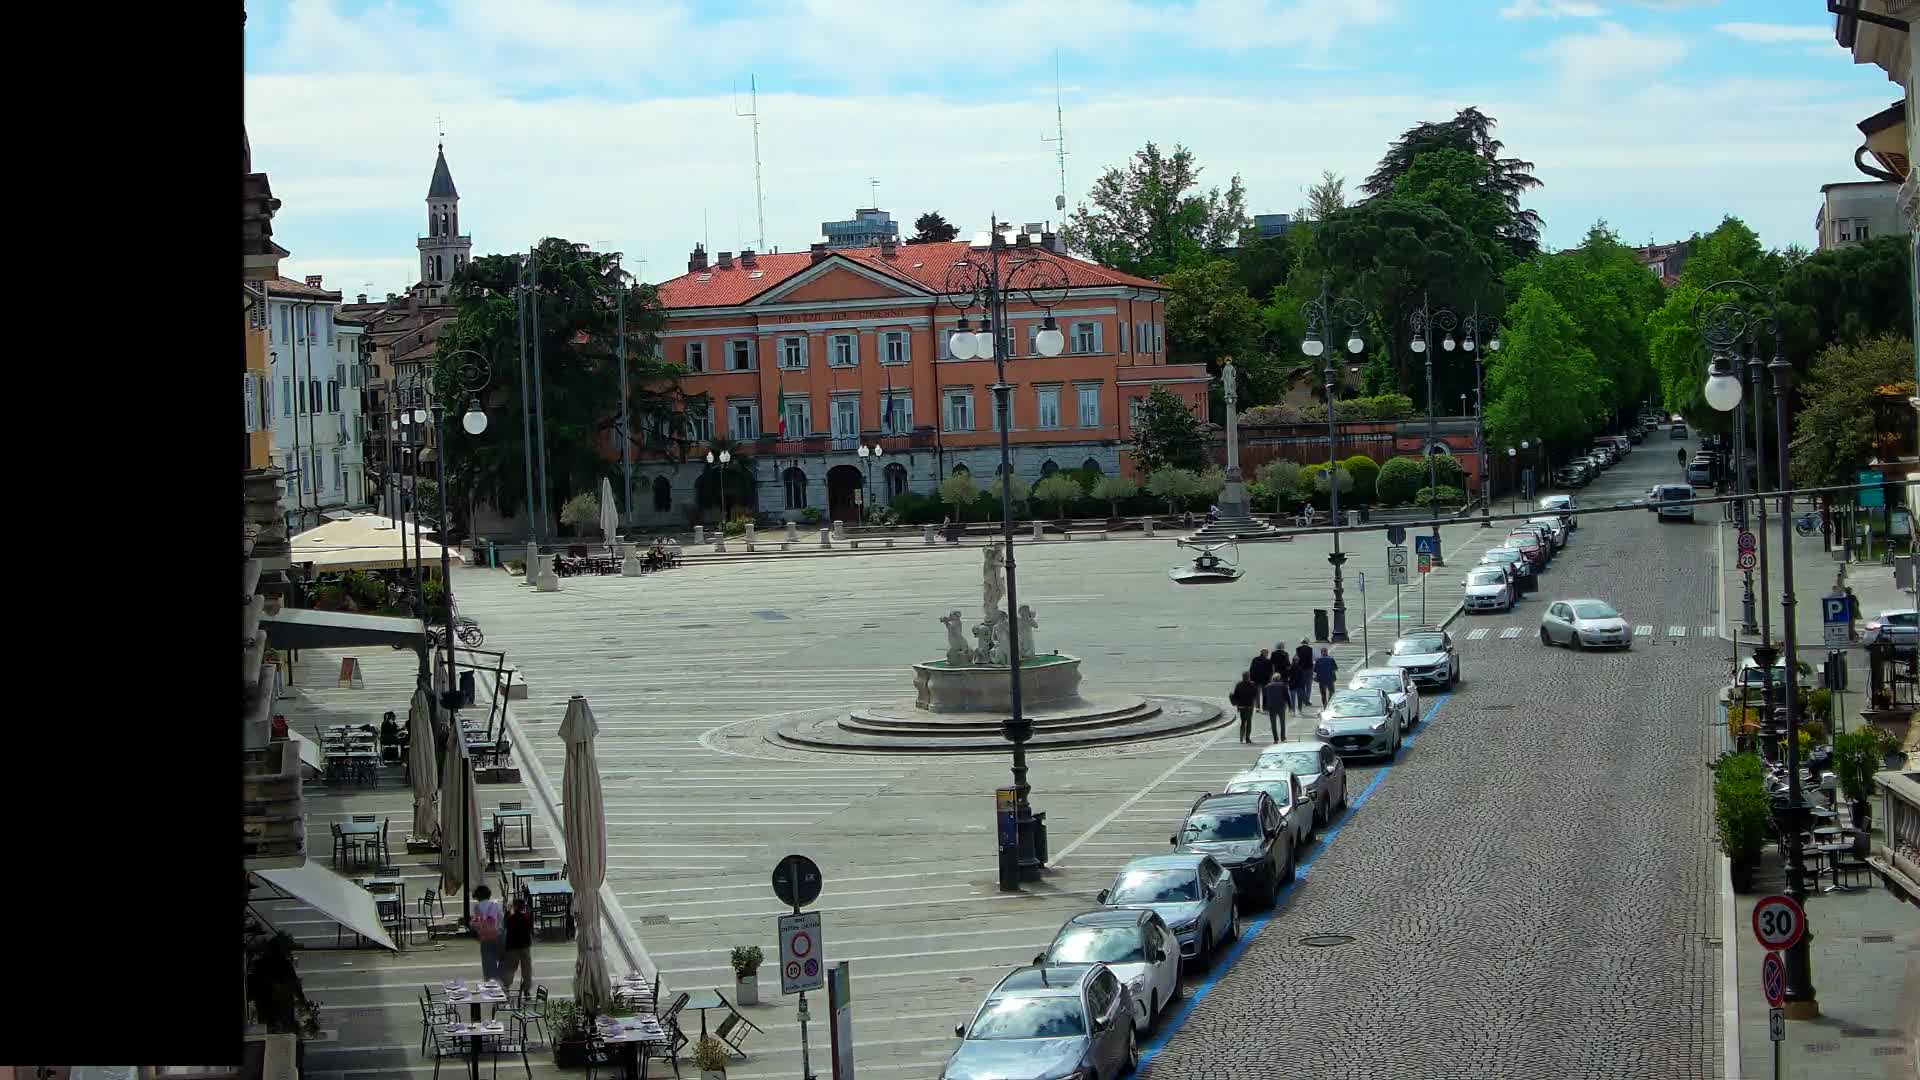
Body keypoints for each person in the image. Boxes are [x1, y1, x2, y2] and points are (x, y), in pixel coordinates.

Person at [501, 897, 535, 999]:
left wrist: (507, 910)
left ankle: (506, 989)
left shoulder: (511, 918)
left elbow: (505, 924)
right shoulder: (526, 917)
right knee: (527, 971)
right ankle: (527, 991)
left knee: (510, 970)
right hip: (525, 947)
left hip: (512, 948)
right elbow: (530, 926)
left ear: (515, 907)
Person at [469, 885, 505, 983]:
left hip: (485, 938)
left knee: (488, 962)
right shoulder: (496, 904)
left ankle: (491, 983)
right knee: (503, 959)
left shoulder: (476, 907)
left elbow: (475, 924)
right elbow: (502, 919)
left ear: (477, 896)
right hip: (498, 935)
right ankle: (502, 981)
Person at [1261, 667, 1289, 743]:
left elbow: (1265, 697)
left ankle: (1275, 739)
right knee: (1282, 722)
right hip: (1281, 706)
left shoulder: (1267, 686)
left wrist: (1264, 707)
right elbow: (1286, 696)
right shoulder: (1283, 685)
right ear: (1279, 678)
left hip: (1271, 706)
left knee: (1273, 723)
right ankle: (1283, 738)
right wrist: (1288, 705)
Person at [1229, 672, 1258, 744]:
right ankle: (1247, 738)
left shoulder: (1239, 685)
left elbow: (1236, 695)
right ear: (1248, 677)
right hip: (1249, 706)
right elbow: (1255, 694)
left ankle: (1241, 738)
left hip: (1241, 706)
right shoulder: (1252, 685)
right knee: (1249, 722)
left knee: (1243, 722)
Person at [1293, 641, 1316, 711]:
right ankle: (1307, 700)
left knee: (1302, 686)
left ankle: (1303, 699)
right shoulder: (1311, 649)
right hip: (1309, 669)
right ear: (1307, 643)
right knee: (1309, 686)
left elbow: (1296, 658)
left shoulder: (1298, 649)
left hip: (1301, 670)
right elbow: (1314, 659)